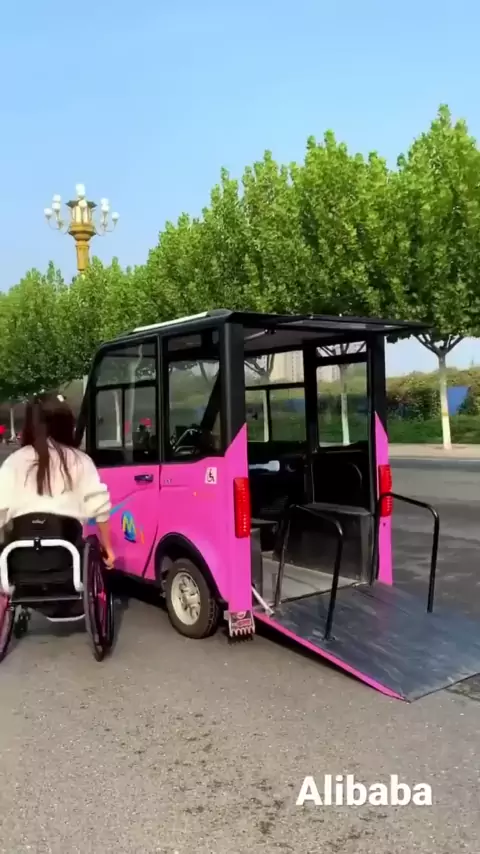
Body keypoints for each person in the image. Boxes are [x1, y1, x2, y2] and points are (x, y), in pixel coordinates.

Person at [0, 393, 115, 567]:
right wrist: (108, 549)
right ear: (67, 424)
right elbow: (100, 507)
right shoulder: (80, 460)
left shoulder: (14, 461)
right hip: (68, 559)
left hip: (20, 560)